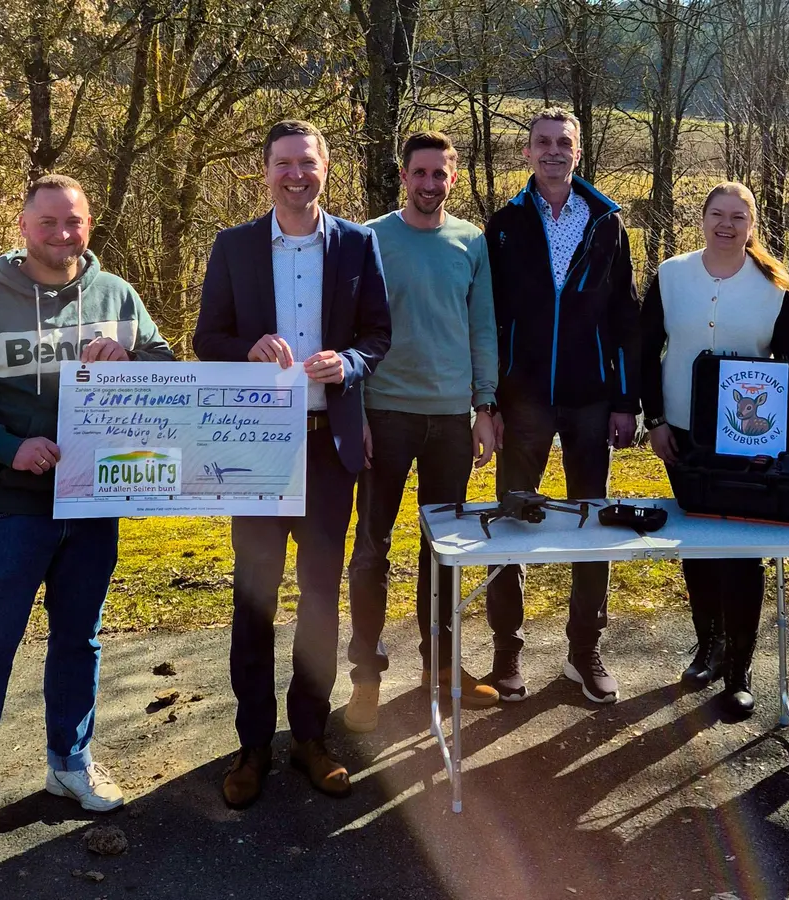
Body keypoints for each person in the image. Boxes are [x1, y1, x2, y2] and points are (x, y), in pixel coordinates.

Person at [0, 174, 175, 854]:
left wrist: (131, 356)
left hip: (94, 505)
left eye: (76, 222)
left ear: (89, 225)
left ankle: (70, 764)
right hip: (8, 510)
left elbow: (167, 372)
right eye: (50, 222)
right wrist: (7, 447)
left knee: (79, 641)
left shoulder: (118, 295)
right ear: (24, 225)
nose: (64, 234)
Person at [194, 119, 391, 809]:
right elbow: (205, 337)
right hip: (255, 447)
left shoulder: (359, 243)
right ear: (267, 171)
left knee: (318, 596)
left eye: (306, 163)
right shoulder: (235, 246)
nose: (295, 175)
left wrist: (352, 363)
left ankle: (309, 736)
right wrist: (244, 349)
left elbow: (378, 335)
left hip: (328, 449)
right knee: (254, 599)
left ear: (326, 167)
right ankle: (253, 746)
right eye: (283, 164)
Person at [343, 131, 502, 733]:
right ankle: (366, 677)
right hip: (384, 414)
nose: (430, 184)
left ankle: (442, 670)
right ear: (403, 176)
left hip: (450, 420)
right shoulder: (369, 239)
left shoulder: (471, 243)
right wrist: (353, 412)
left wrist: (485, 406)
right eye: (420, 173)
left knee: (443, 550)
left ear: (453, 180)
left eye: (441, 174)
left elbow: (482, 328)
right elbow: (350, 332)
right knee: (372, 547)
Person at [482, 107, 640, 705]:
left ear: (578, 153)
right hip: (522, 401)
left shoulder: (607, 223)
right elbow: (492, 322)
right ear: (527, 153)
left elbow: (625, 315)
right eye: (542, 143)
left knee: (592, 523)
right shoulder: (503, 226)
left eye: (563, 144)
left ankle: (584, 649)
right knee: (509, 521)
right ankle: (506, 653)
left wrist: (626, 399)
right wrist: (490, 400)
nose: (552, 152)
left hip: (589, 398)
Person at [637, 181, 789, 719]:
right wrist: (656, 420)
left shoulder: (775, 286)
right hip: (683, 431)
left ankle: (739, 668)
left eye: (738, 216)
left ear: (752, 224)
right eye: (717, 214)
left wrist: (779, 445)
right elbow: (644, 351)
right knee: (700, 543)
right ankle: (706, 645)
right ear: (702, 218)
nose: (726, 225)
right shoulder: (671, 275)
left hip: (748, 440)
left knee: (742, 551)